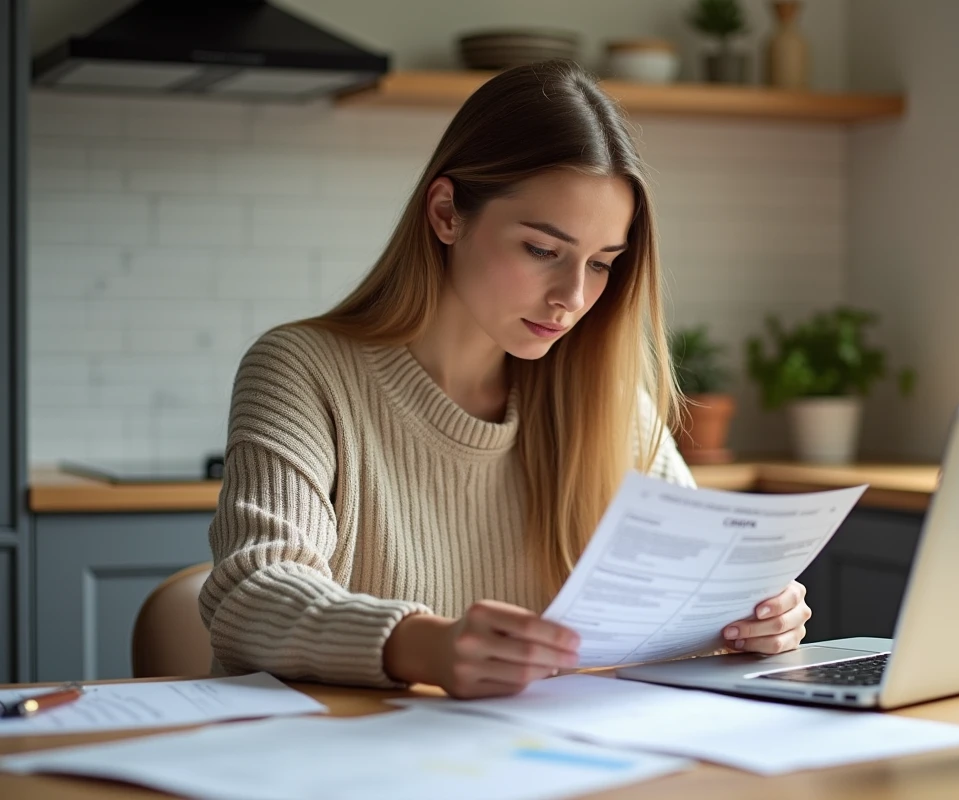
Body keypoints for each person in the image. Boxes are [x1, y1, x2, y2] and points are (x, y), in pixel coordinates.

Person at [199, 60, 811, 698]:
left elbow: (697, 582)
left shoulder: (607, 396)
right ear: (446, 214)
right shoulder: (303, 370)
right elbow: (249, 594)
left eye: (601, 264)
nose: (572, 297)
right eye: (542, 251)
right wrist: (424, 647)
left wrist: (752, 615)